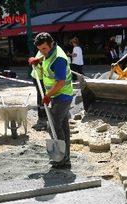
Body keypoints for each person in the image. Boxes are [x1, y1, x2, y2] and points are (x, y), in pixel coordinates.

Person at [28, 33, 74, 169]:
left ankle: (62, 159)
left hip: (62, 95)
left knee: (53, 125)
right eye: (40, 49)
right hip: (58, 95)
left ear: (51, 44)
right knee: (63, 126)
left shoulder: (59, 59)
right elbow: (46, 57)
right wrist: (39, 60)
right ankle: (65, 158)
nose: (42, 51)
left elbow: (60, 82)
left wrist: (47, 95)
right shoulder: (48, 52)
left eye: (44, 49)